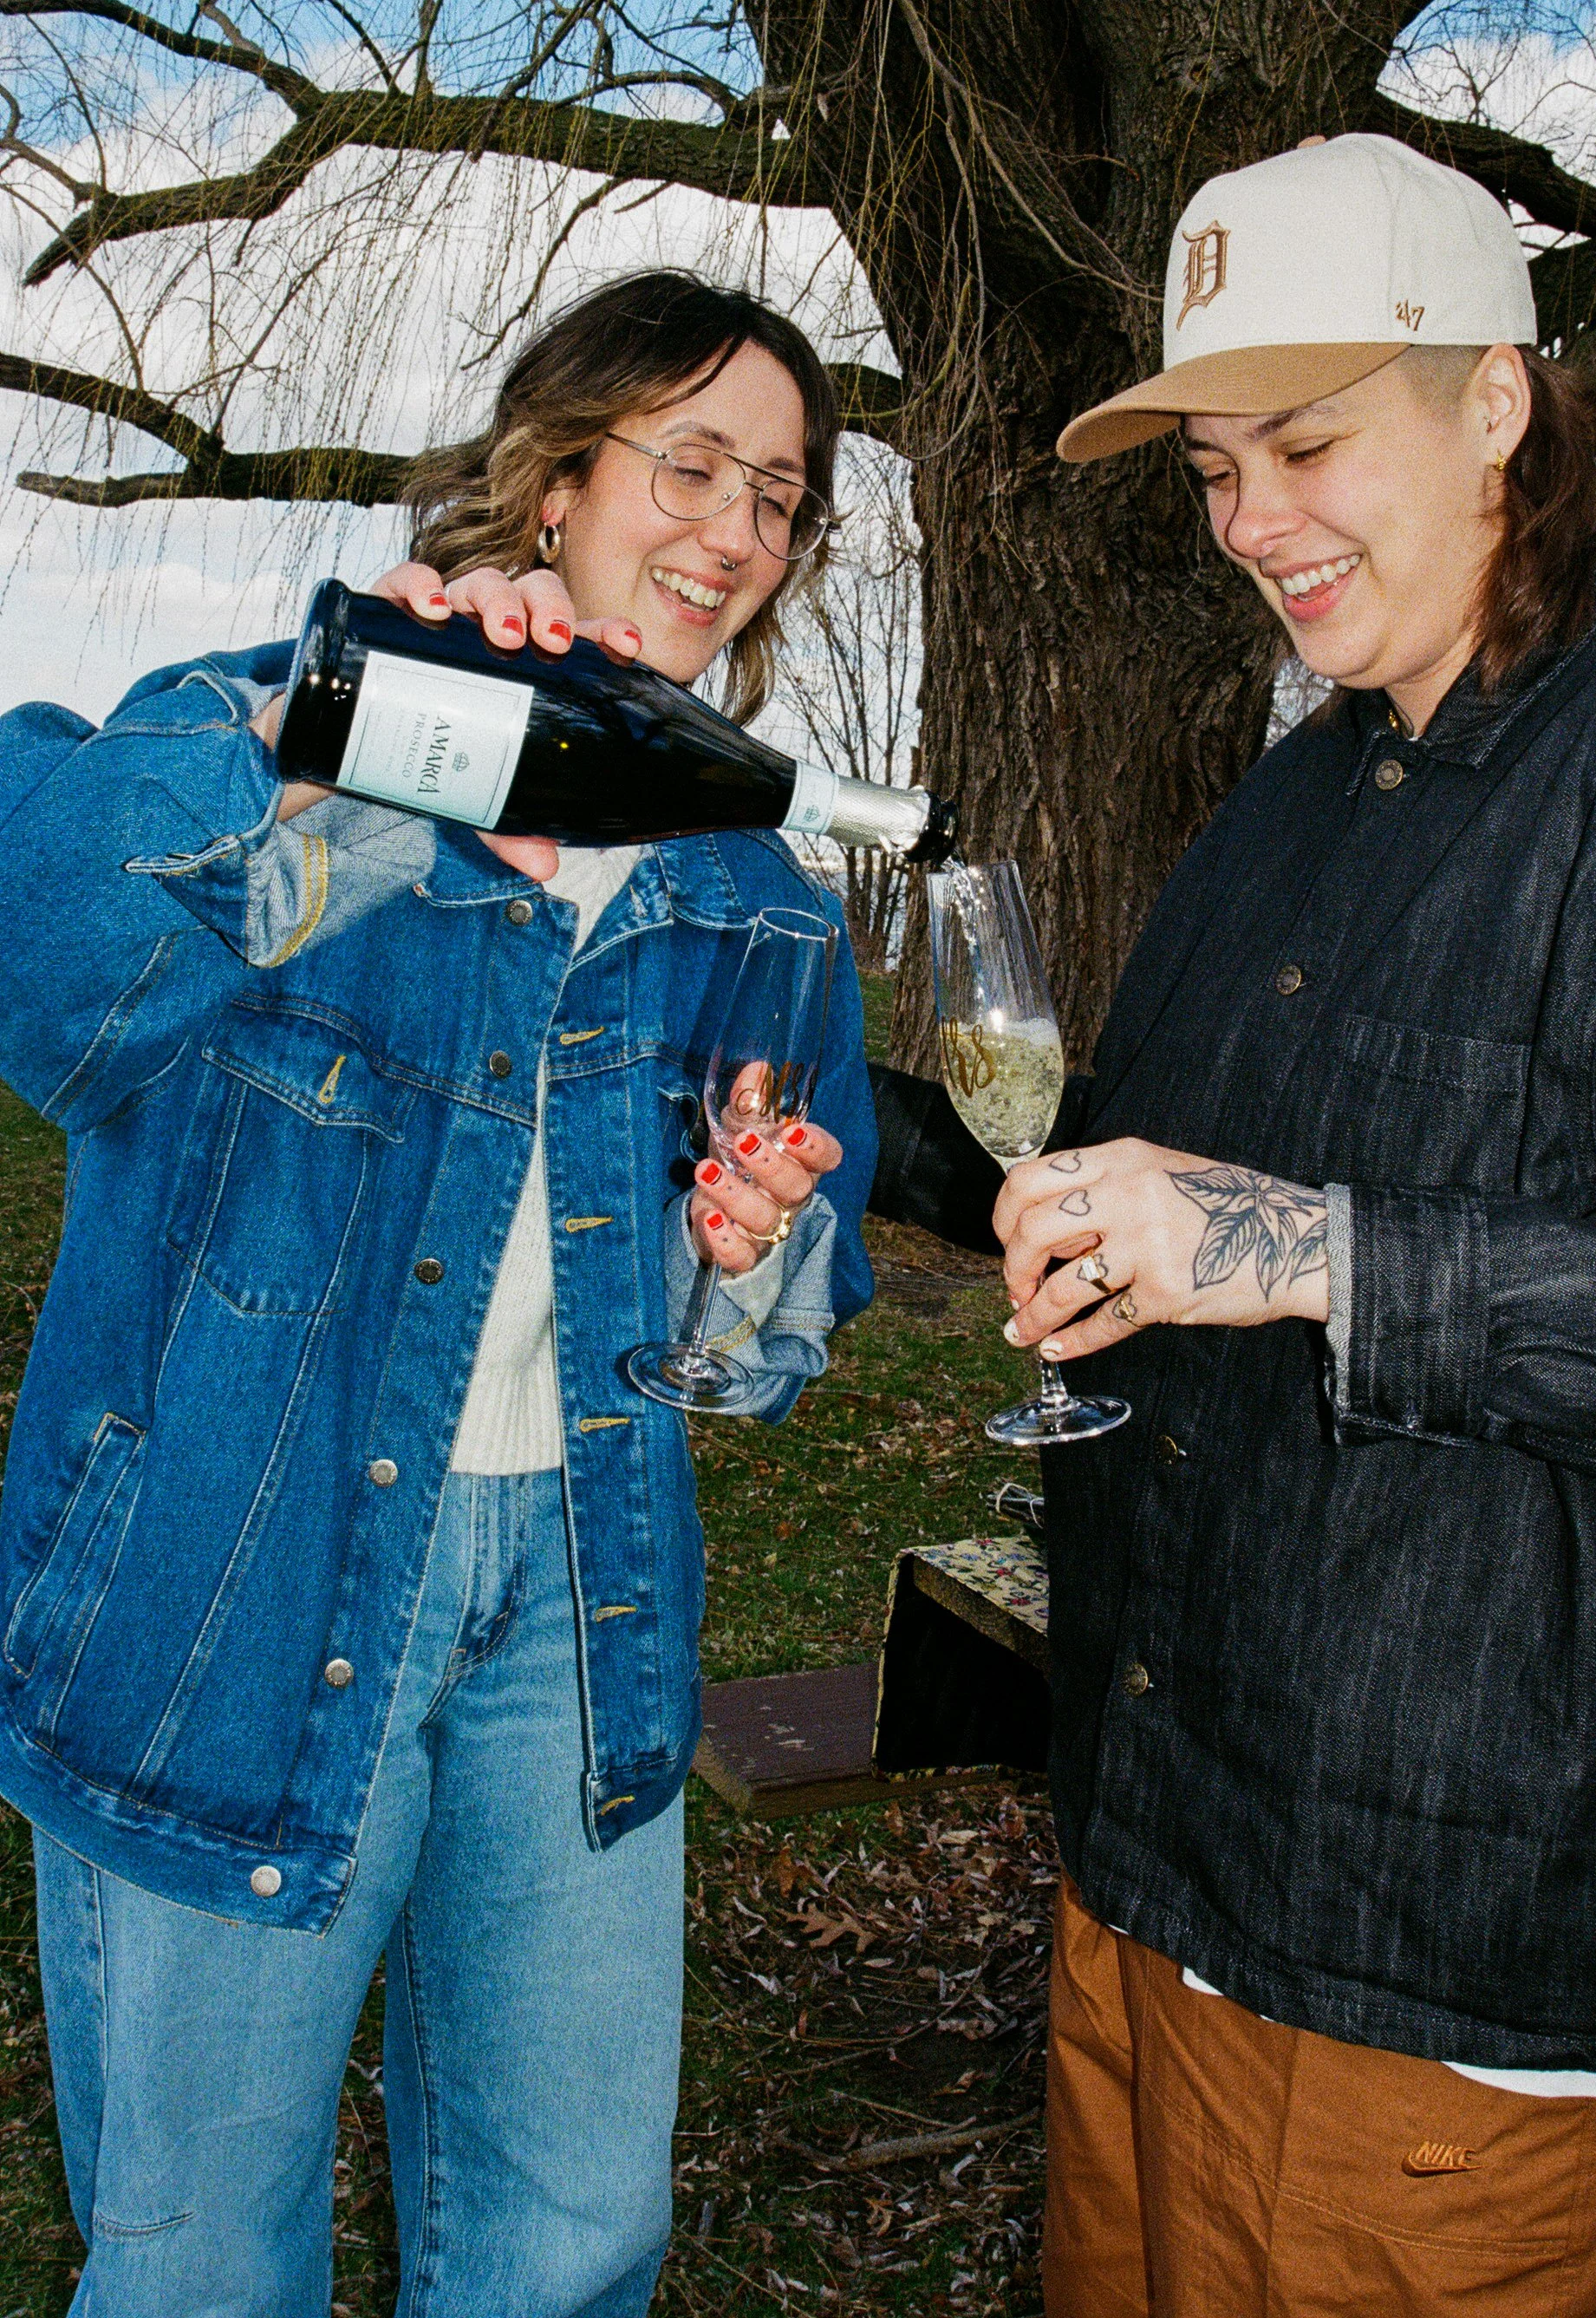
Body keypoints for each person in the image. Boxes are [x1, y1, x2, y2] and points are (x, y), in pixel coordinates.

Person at [870, 134, 1596, 2315]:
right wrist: (859, 1131)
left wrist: (1304, 1251)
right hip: (1166, 1855)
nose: (1250, 518)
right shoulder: (1304, 780)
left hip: (1450, 1956)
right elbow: (1145, 1176)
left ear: (1493, 403)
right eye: (1207, 464)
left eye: (1302, 439)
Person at [0, 270, 876, 2317]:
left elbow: (759, 1347)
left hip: (575, 1602)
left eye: (781, 493)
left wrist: (736, 1262)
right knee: (202, 2260)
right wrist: (333, 761)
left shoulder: (755, 892)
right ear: (554, 480)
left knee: (568, 2242)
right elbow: (52, 981)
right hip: (238, 1573)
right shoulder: (286, 713)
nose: (737, 529)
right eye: (690, 463)